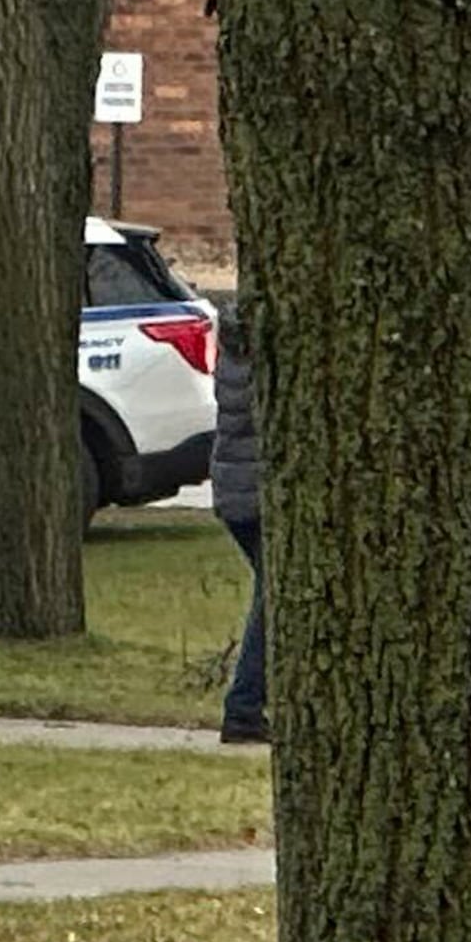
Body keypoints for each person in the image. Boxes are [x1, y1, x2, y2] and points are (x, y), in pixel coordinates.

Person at [208, 291, 266, 747]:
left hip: (235, 491)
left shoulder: (230, 355)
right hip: (253, 494)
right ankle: (244, 707)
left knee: (270, 600)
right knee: (270, 605)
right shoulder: (251, 368)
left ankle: (249, 704)